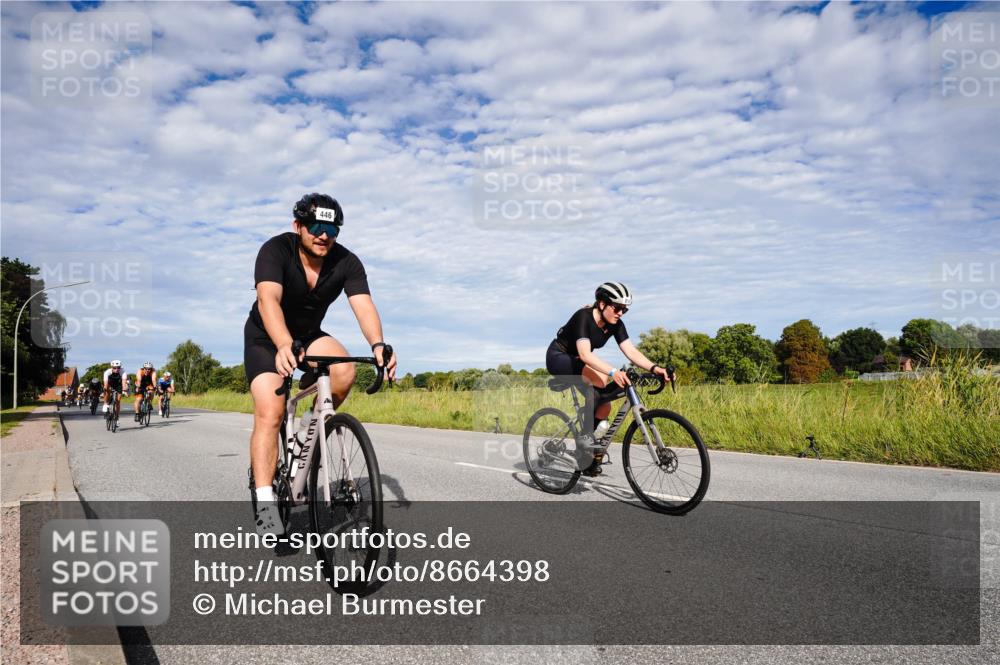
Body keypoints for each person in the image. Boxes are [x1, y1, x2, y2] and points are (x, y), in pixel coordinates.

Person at [244, 192, 397, 537]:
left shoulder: (347, 262)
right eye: (314, 227)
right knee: (271, 410)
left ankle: (309, 437)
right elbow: (268, 300)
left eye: (331, 228)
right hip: (267, 337)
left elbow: (364, 305)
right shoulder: (275, 250)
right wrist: (283, 344)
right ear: (297, 226)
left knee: (345, 370)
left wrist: (378, 344)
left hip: (309, 335)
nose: (323, 235)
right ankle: (266, 500)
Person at [546, 282, 672, 476]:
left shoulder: (615, 324)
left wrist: (656, 368)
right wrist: (614, 372)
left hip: (579, 360)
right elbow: (586, 355)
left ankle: (586, 456)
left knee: (605, 404)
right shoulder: (583, 317)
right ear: (602, 303)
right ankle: (586, 438)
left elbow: (630, 351)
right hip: (559, 357)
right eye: (617, 307)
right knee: (600, 379)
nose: (621, 313)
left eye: (625, 310)